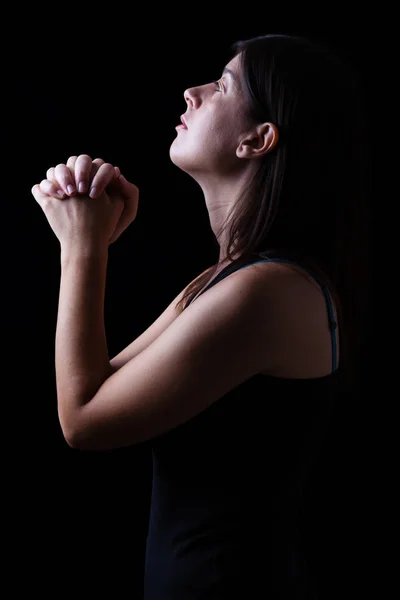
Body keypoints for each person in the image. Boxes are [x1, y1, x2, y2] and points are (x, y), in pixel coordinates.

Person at [32, 34, 370, 599]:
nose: (192, 92)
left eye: (223, 85)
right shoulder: (231, 279)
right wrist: (92, 238)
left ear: (257, 140)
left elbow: (84, 421)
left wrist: (82, 247)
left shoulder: (268, 291)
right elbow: (99, 386)